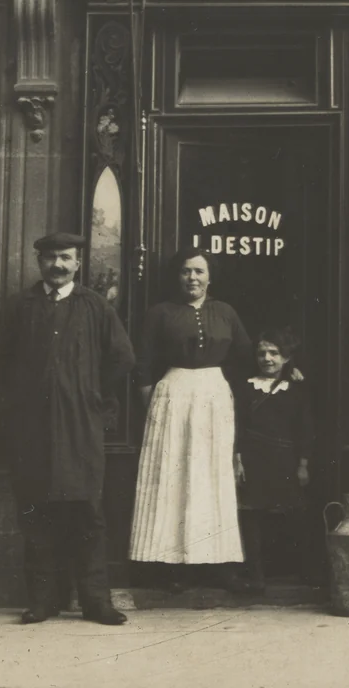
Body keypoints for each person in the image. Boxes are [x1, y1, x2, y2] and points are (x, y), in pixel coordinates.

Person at [0, 232, 135, 625]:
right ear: (39, 263)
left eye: (65, 258)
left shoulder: (96, 306)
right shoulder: (20, 306)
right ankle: (43, 601)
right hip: (31, 428)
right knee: (37, 512)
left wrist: (91, 396)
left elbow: (122, 358)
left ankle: (96, 601)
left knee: (87, 513)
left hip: (81, 425)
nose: (58, 265)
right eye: (50, 258)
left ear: (78, 263)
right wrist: (19, 396)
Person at [129, 246, 252, 587]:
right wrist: (150, 401)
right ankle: (171, 565)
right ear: (177, 276)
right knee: (175, 475)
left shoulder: (225, 312)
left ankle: (217, 563)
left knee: (212, 476)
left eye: (199, 271)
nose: (192, 278)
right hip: (174, 395)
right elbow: (143, 360)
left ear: (210, 277)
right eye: (186, 271)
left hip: (214, 395)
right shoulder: (161, 313)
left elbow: (245, 355)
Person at [235, 327, 315, 592]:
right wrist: (238, 460)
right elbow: (237, 425)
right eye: (262, 353)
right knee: (252, 515)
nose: (267, 359)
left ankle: (302, 571)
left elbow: (304, 429)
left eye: (274, 353)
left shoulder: (296, 389)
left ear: (285, 358)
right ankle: (256, 575)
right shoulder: (246, 388)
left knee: (294, 513)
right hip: (254, 458)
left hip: (285, 459)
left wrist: (303, 464)